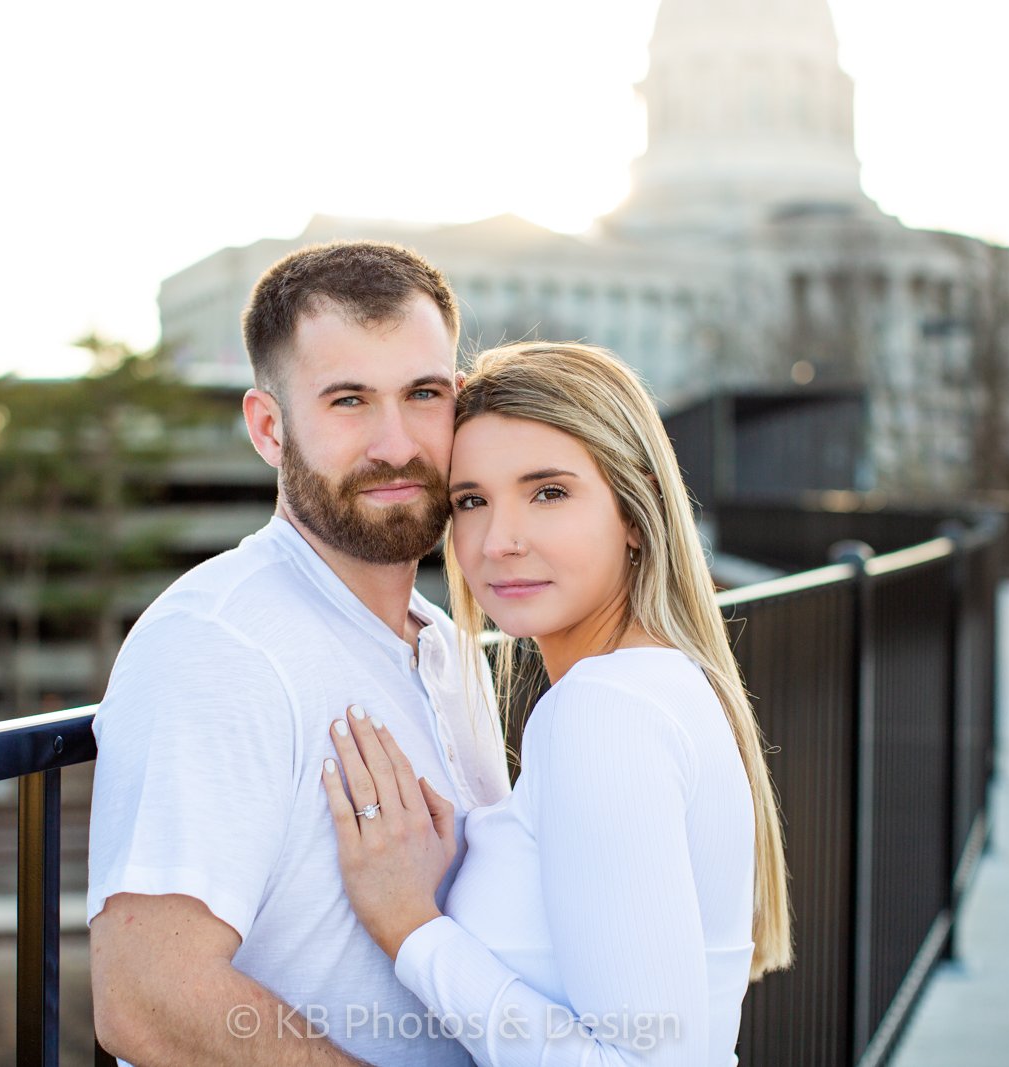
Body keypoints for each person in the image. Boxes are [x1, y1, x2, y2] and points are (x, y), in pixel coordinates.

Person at [87, 240, 511, 1066]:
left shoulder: (453, 650)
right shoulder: (218, 644)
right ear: (269, 427)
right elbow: (146, 996)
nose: (395, 443)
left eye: (423, 393)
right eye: (348, 400)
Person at [321, 341, 793, 1066]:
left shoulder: (601, 712)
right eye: (471, 500)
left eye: (549, 492)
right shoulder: (663, 683)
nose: (500, 541)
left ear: (635, 511)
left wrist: (410, 926)